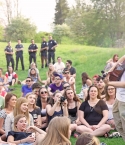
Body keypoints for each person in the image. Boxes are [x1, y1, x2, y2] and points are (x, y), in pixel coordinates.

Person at [103, 54, 125, 141]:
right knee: (118, 125)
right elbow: (123, 58)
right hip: (119, 98)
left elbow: (124, 84)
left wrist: (109, 83)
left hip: (124, 101)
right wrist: (109, 72)